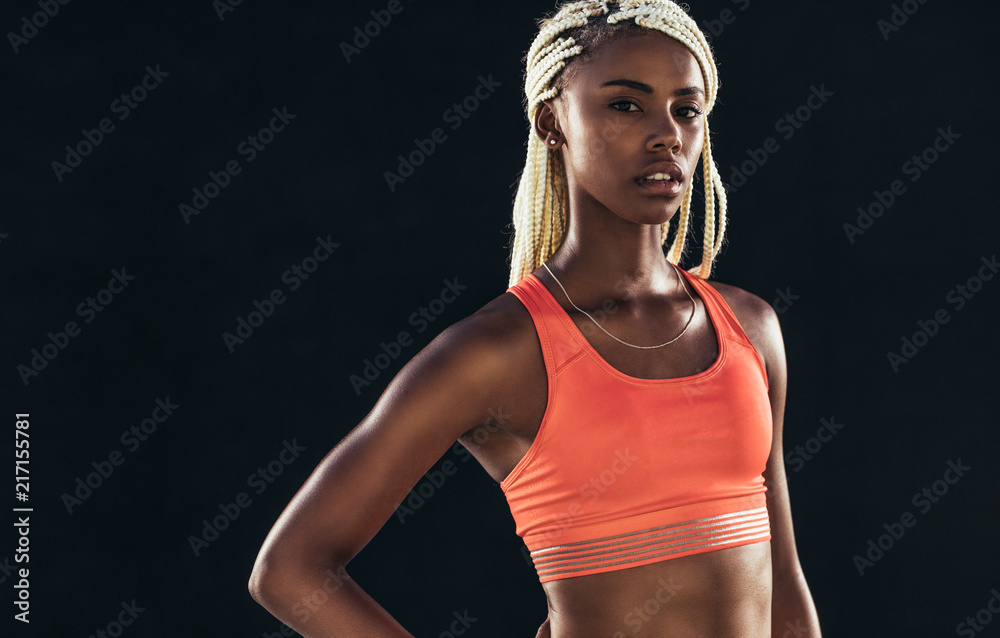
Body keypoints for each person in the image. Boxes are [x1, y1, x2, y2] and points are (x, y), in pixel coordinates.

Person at [249, 1, 823, 635]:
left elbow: (783, 581)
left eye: (686, 109)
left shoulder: (749, 328)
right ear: (553, 121)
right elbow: (289, 569)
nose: (667, 134)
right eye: (626, 104)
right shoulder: (498, 352)